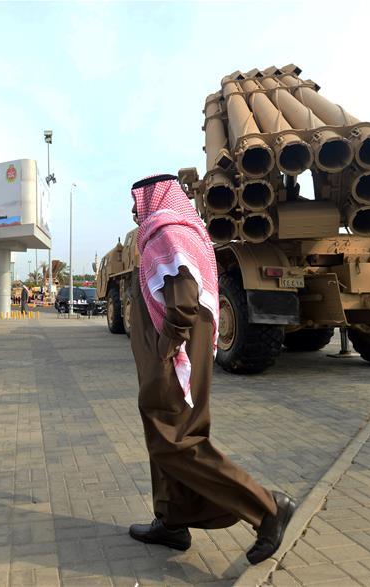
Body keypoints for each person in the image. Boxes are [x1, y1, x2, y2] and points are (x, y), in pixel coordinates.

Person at [126, 174, 296, 565]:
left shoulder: (165, 231)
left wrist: (168, 344)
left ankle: (267, 507)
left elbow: (183, 298)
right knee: (165, 436)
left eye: (137, 200)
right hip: (176, 352)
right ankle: (171, 521)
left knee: (177, 440)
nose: (134, 209)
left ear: (154, 197)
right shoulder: (183, 230)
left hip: (173, 357)